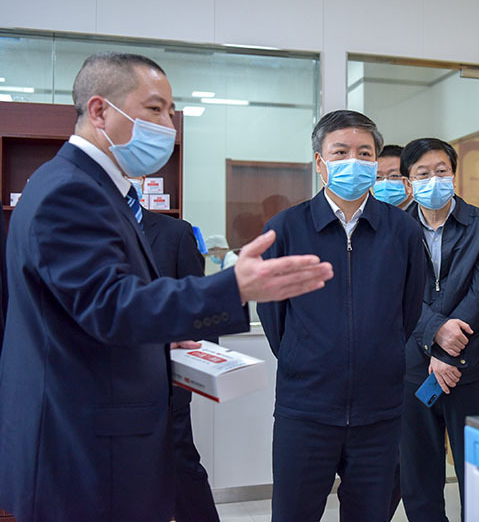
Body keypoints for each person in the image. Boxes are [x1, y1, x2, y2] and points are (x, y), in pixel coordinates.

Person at [0, 52, 333, 521]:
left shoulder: (89, 187)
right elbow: (111, 305)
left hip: (94, 440)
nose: (168, 125)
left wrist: (164, 336)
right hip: (83, 451)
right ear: (99, 111)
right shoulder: (71, 191)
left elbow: (83, 310)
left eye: (171, 112)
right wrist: (232, 287)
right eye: (154, 109)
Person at [256, 110, 425, 522]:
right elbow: (274, 317)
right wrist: (307, 359)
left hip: (379, 412)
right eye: (341, 151)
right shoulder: (286, 229)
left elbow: (408, 311)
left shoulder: (402, 231)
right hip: (305, 410)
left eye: (364, 153)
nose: (354, 160)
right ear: (320, 162)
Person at [399, 137, 479, 521]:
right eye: (423, 173)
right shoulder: (393, 229)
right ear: (408, 182)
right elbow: (394, 293)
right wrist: (434, 337)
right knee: (418, 475)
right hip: (413, 369)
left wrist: (445, 351)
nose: (434, 180)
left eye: (441, 171)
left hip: (471, 368)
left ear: (454, 175)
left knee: (478, 472)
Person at [140, 206, 219, 522]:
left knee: (181, 471)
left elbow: (199, 307)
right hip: (99, 387)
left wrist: (205, 364)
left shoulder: (174, 233)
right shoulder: (85, 230)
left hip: (164, 386)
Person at [374, 144, 413, 210]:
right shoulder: (367, 212)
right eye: (378, 177)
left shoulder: (424, 213)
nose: (385, 183)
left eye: (394, 175)